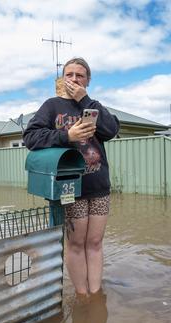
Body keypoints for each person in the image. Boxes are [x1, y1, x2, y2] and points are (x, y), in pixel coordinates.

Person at [23, 57, 119, 295]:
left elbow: (112, 130)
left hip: (98, 184)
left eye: (80, 75)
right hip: (69, 188)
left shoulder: (92, 105)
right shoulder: (51, 106)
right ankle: (82, 295)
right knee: (76, 244)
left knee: (95, 243)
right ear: (62, 78)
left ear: (87, 80)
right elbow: (30, 138)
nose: (74, 79)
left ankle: (95, 294)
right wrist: (67, 135)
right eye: (69, 75)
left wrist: (84, 100)